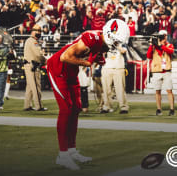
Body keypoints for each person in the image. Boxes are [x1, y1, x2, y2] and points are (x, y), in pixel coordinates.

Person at [46, 19, 128, 170]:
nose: (117, 45)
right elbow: (65, 57)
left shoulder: (102, 42)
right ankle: (62, 155)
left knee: (76, 108)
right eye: (116, 42)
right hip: (58, 69)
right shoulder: (92, 38)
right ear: (110, 35)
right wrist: (87, 63)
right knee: (66, 109)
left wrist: (96, 58)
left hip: (71, 72)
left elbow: (91, 55)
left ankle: (71, 150)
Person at [101, 23, 130, 114]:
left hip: (118, 66)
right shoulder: (105, 42)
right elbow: (102, 53)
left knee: (120, 88)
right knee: (106, 89)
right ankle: (106, 106)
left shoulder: (122, 41)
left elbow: (124, 51)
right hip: (107, 66)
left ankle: (123, 107)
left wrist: (117, 45)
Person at [147, 30, 175, 116]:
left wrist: (161, 45)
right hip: (157, 70)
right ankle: (159, 109)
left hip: (166, 70)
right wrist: (152, 45)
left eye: (164, 36)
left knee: (169, 90)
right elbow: (148, 56)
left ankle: (172, 109)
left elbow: (170, 51)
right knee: (157, 91)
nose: (163, 38)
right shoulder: (153, 47)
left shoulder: (169, 45)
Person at [23, 24, 47, 111]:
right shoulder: (33, 41)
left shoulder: (29, 40)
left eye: (40, 31)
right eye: (37, 31)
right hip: (33, 66)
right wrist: (45, 61)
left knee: (30, 87)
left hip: (28, 65)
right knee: (36, 86)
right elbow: (38, 54)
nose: (39, 33)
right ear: (33, 32)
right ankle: (39, 106)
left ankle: (27, 105)